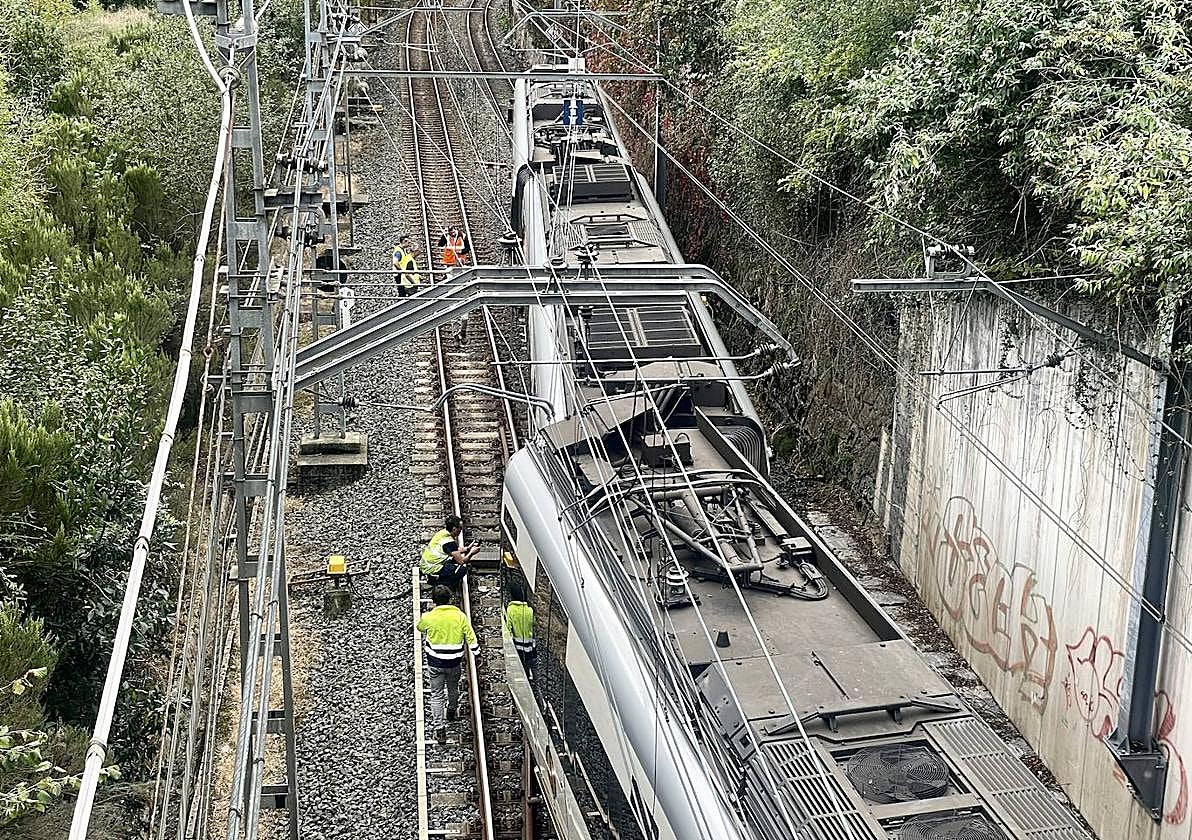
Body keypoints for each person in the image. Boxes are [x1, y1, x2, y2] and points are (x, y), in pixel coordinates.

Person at [416, 584, 479, 744]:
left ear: (434, 600)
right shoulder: (460, 616)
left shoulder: (428, 617)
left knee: (436, 694)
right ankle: (451, 711)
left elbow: (420, 627)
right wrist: (477, 653)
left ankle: (440, 729)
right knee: (453, 688)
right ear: (450, 599)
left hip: (435, 662)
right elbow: (470, 637)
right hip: (454, 662)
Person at [420, 514, 480, 587]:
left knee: (452, 561)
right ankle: (441, 584)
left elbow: (452, 550)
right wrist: (471, 553)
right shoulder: (449, 542)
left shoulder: (442, 533)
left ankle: (436, 577)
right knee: (462, 570)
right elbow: (461, 561)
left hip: (425, 564)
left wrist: (467, 549)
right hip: (430, 568)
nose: (461, 530)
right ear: (454, 529)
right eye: (460, 528)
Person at [504, 586, 536, 677]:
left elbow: (508, 628)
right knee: (528, 662)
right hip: (529, 646)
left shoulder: (511, 609)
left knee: (521, 664)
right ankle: (530, 675)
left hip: (517, 645)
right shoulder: (530, 610)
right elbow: (533, 624)